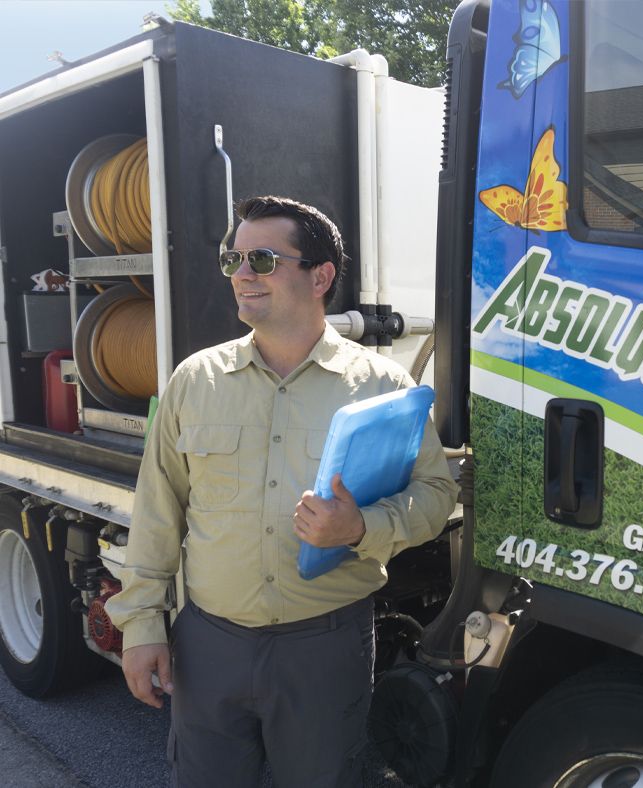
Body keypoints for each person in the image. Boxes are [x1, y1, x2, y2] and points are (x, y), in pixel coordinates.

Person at [105, 195, 459, 787]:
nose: (242, 274)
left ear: (320, 276)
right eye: (234, 259)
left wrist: (360, 528)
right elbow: (157, 513)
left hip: (324, 647)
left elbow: (435, 494)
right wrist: (141, 628)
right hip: (209, 644)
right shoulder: (195, 380)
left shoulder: (382, 386)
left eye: (263, 259)